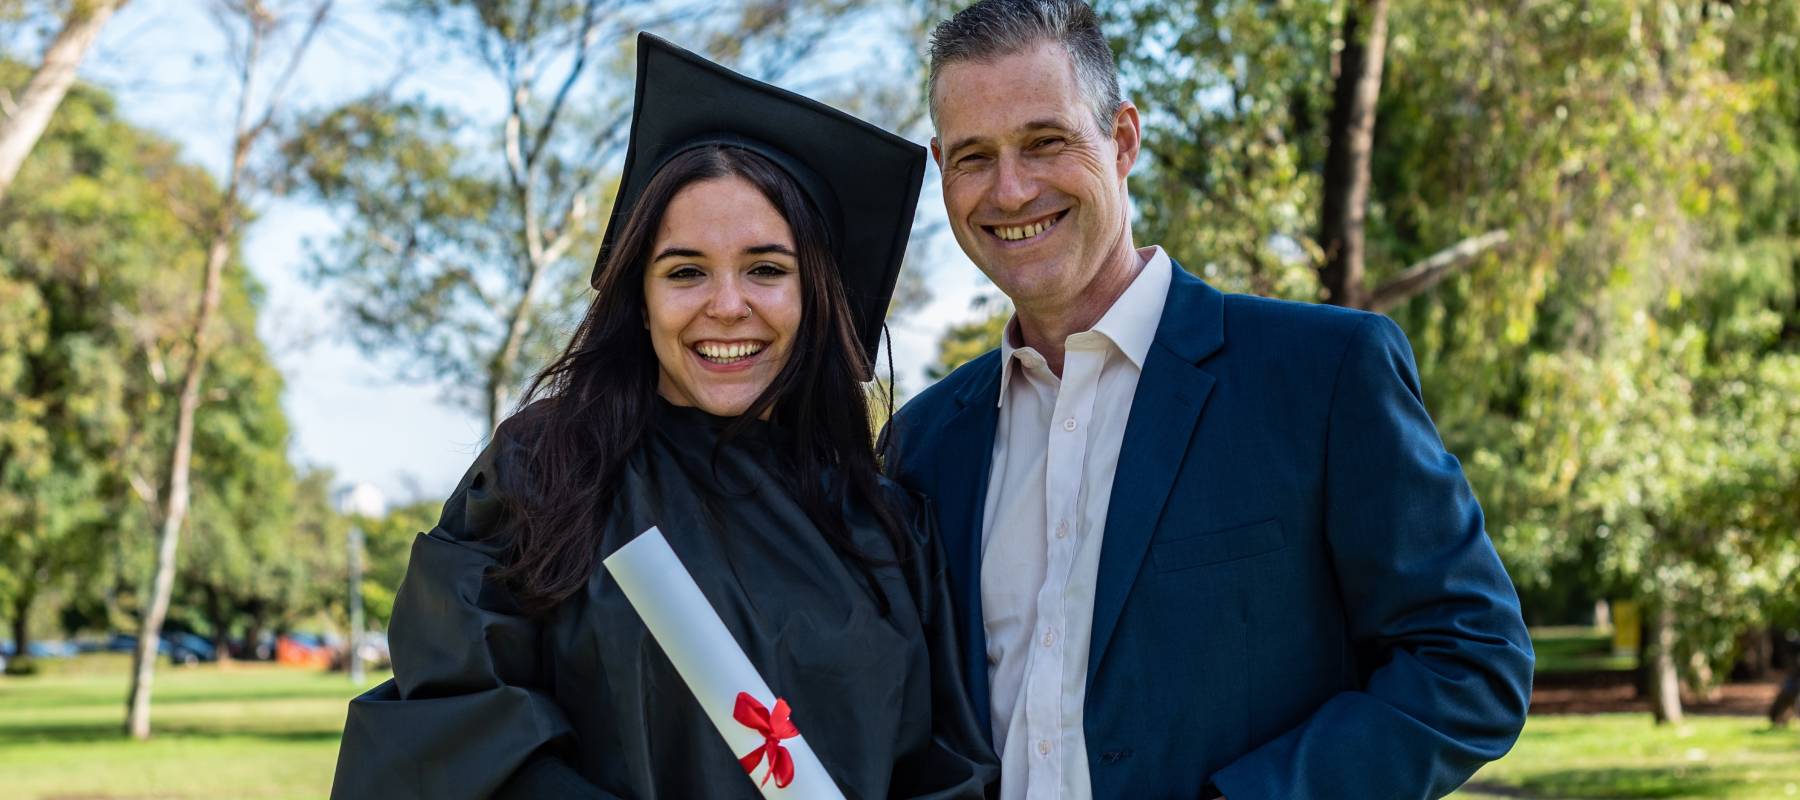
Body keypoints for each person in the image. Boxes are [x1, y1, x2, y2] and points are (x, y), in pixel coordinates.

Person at [882, 2, 1535, 798]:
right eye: (974, 157)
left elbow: (1471, 659)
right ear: (940, 167)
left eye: (1045, 142)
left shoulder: (1321, 375)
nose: (1010, 189)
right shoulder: (922, 445)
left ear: (1123, 140)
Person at [331, 34, 997, 800]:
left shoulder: (883, 529)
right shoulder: (543, 476)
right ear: (639, 299)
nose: (726, 305)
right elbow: (451, 731)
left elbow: (948, 765)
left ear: (815, 293)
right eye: (685, 271)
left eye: (766, 269)